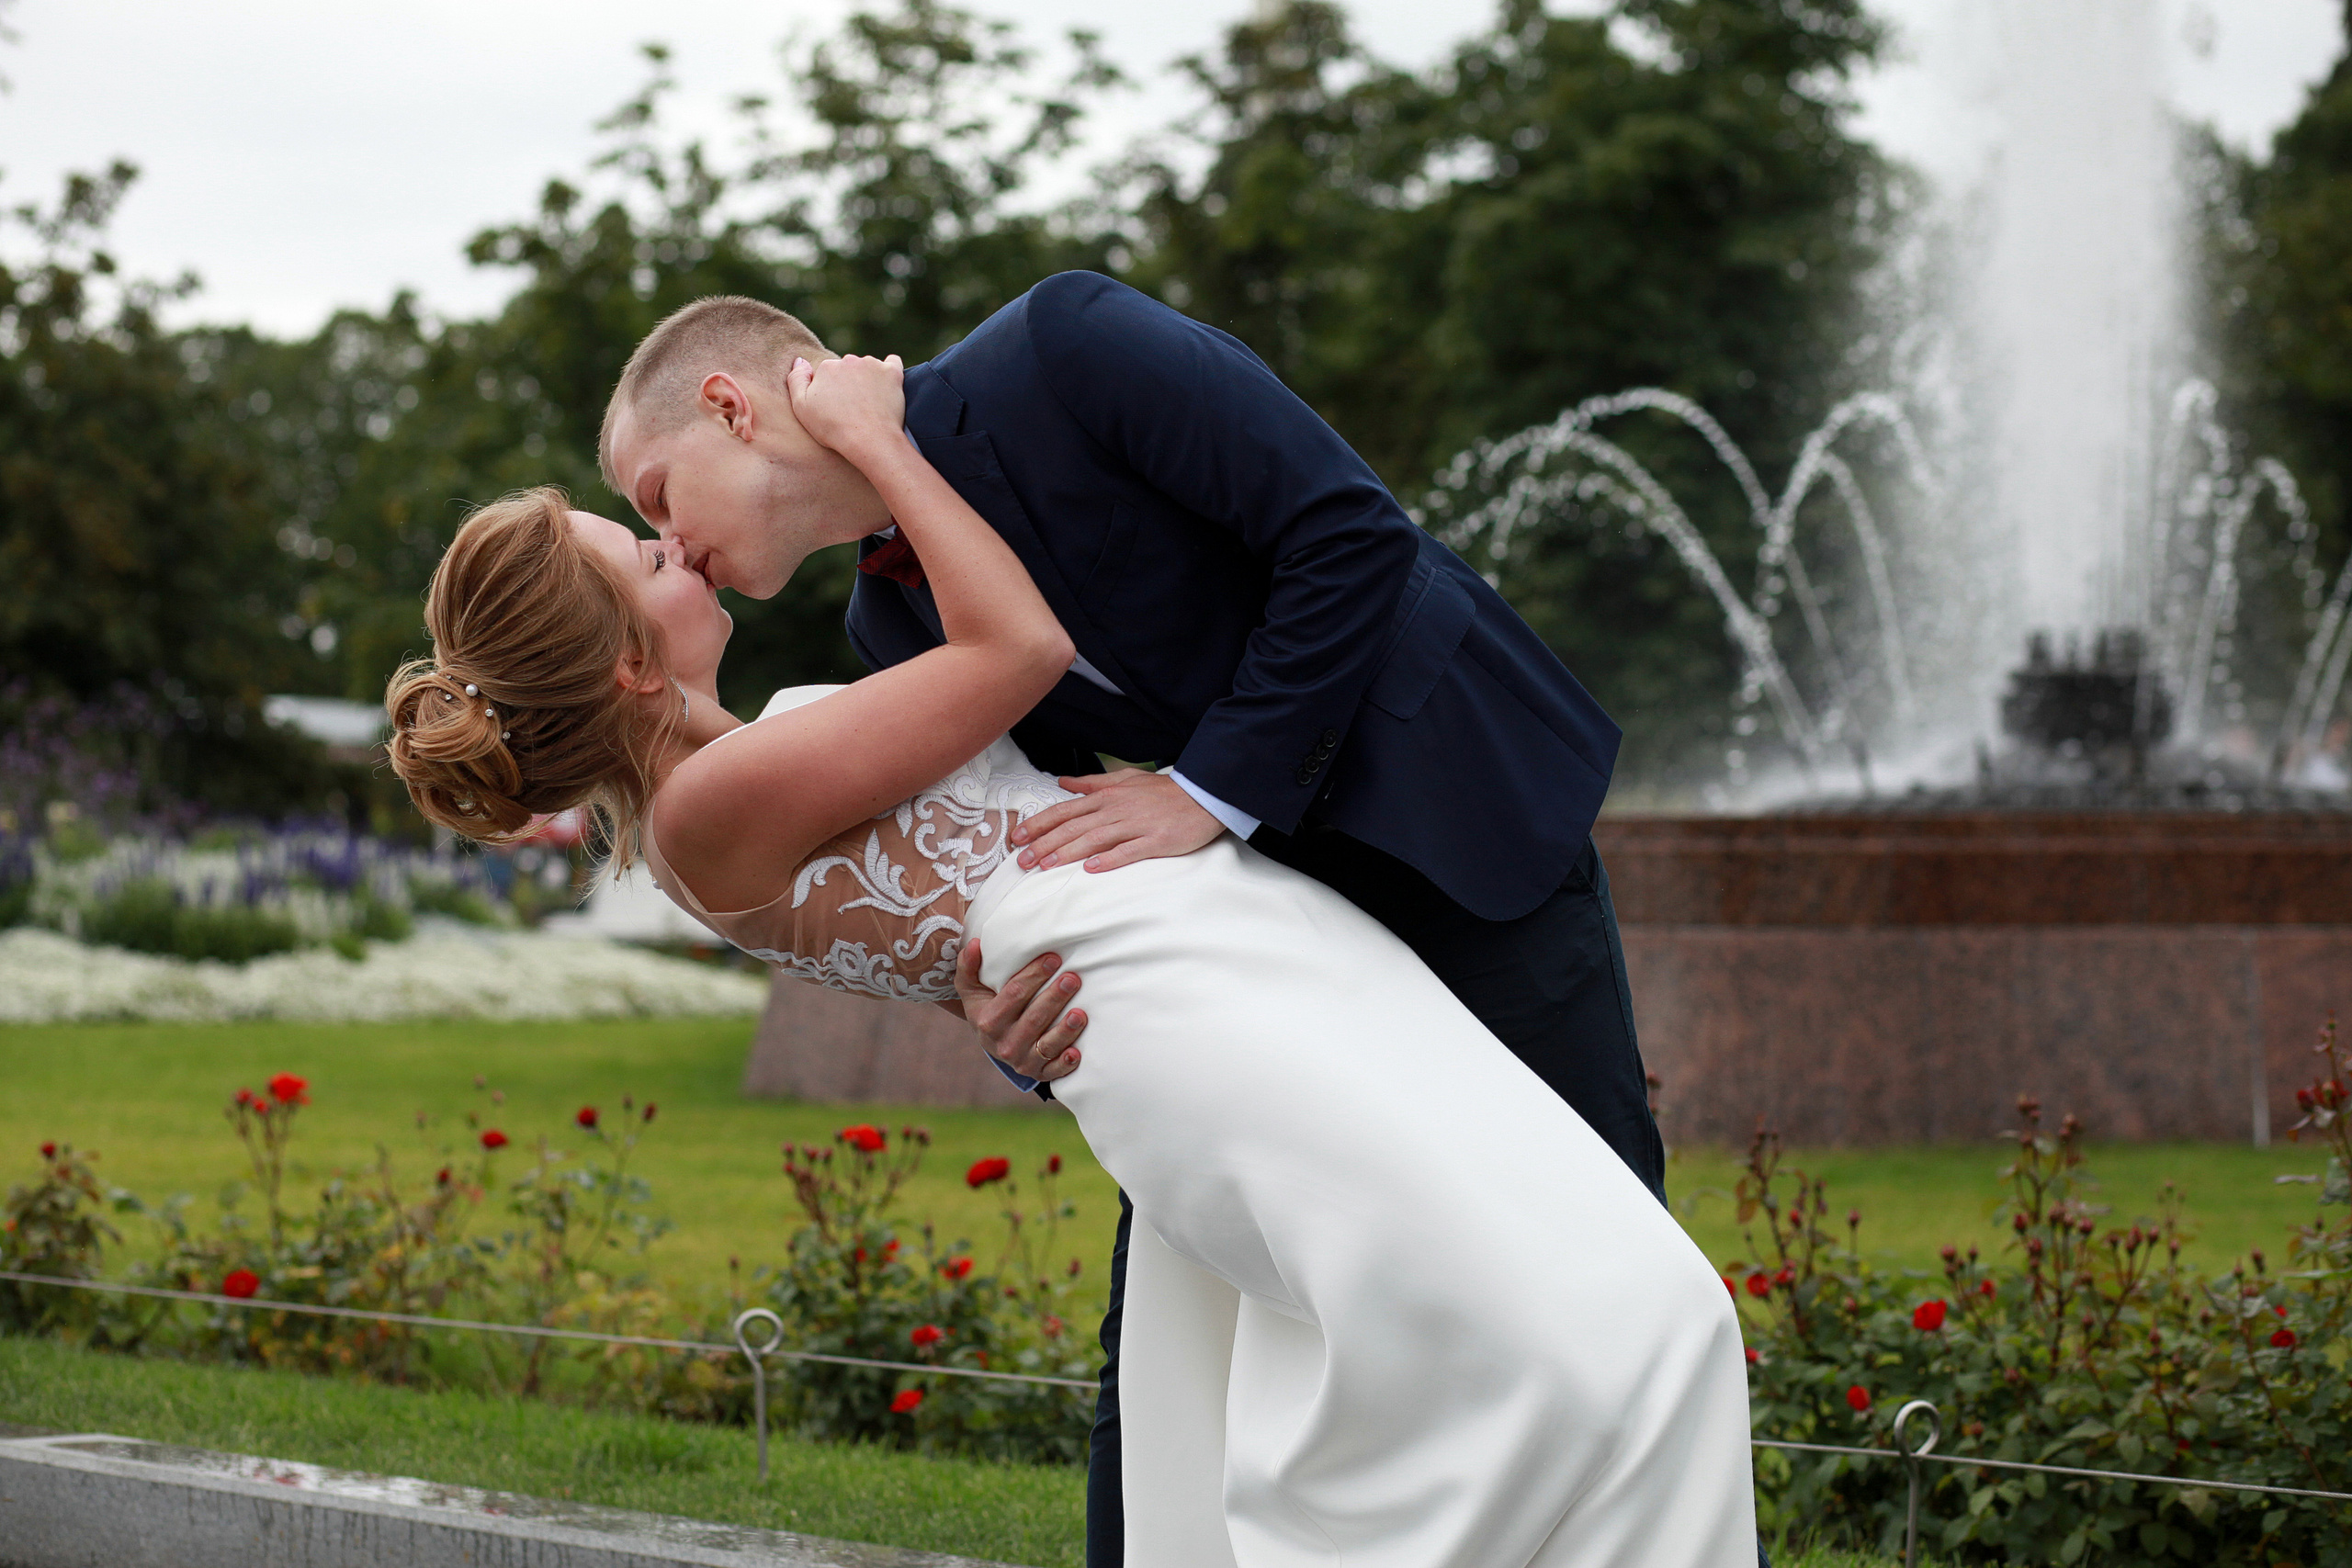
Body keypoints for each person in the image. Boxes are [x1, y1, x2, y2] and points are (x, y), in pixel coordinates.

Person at [386, 354, 1756, 1568]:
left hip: (1246, 944)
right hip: (1194, 989)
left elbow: (948, 886)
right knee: (1593, 1321)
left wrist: (984, 984)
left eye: (648, 513)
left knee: (1402, 1342)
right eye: (634, 553)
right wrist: (880, 441)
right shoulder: (711, 806)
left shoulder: (743, 769)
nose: (666, 544)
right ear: (629, 667)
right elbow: (1023, 652)